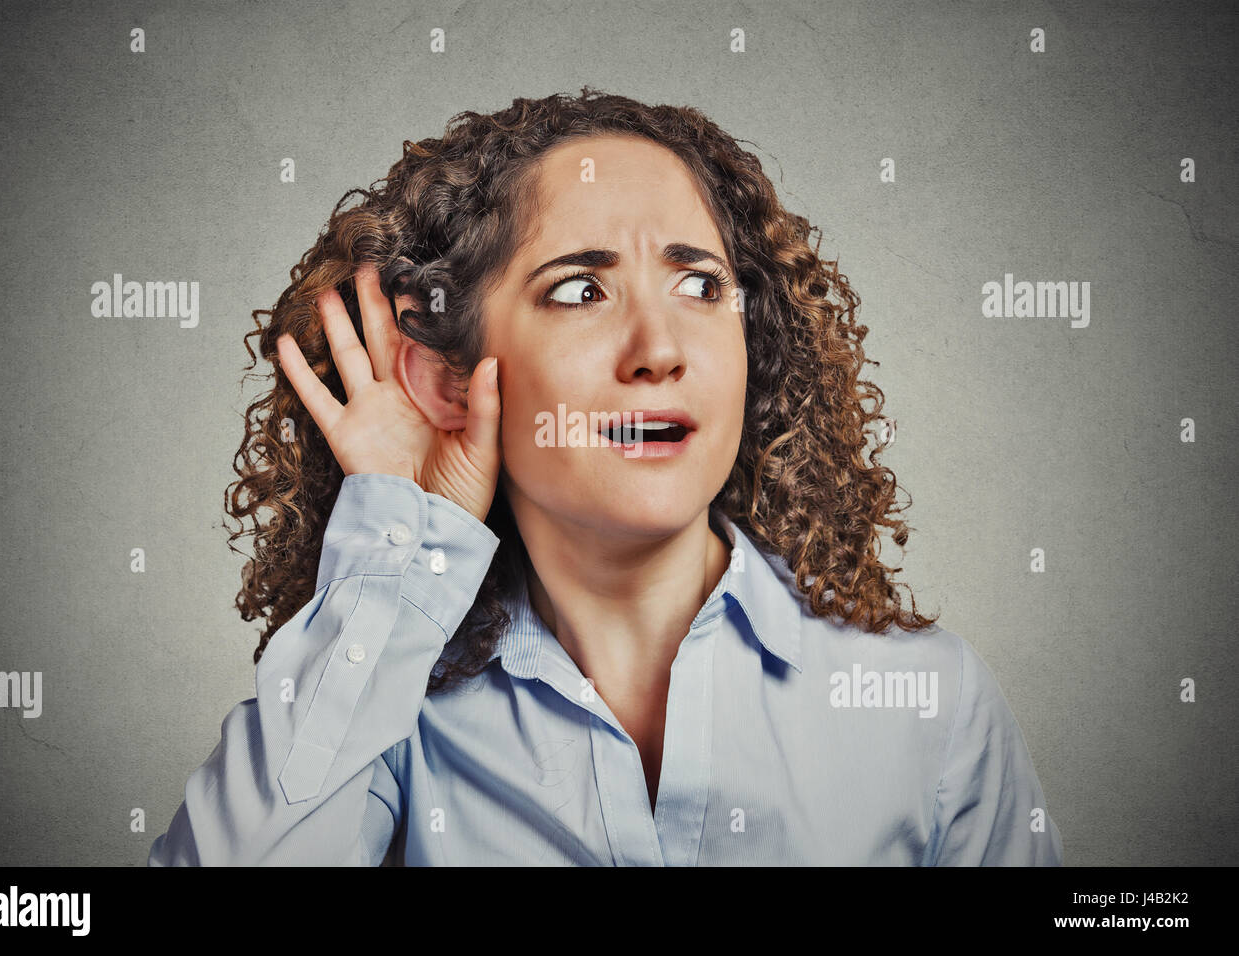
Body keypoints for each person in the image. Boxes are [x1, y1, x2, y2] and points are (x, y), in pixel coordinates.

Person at [148, 87, 1063, 866]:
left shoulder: (930, 705)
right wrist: (403, 540)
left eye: (701, 286)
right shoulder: (386, 714)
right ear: (448, 377)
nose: (660, 348)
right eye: (581, 289)